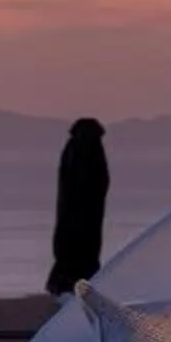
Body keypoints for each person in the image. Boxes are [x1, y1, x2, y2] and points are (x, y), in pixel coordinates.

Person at [46, 118, 109, 293]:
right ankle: (67, 282)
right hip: (75, 212)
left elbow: (98, 182)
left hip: (85, 213)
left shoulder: (87, 151)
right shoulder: (78, 150)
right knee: (73, 246)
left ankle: (72, 282)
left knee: (82, 247)